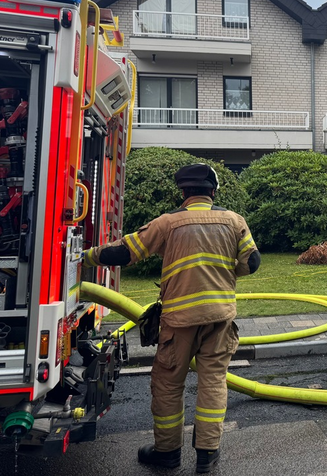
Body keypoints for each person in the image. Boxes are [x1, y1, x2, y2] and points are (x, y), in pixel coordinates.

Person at [84, 163, 260, 473]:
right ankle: (207, 455)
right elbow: (252, 262)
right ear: (213, 192)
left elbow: (125, 253)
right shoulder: (234, 221)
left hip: (179, 321)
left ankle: (167, 453)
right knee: (214, 382)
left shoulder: (168, 223)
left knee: (167, 385)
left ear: (183, 193)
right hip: (219, 319)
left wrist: (86, 255)